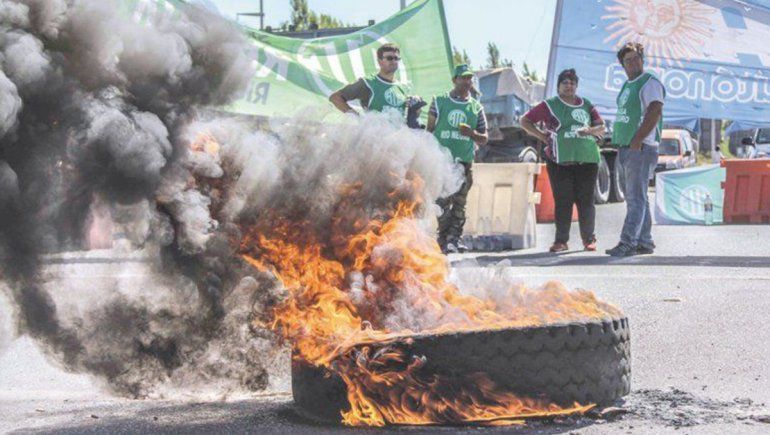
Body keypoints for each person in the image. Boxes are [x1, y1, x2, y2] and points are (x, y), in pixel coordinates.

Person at [521, 69, 605, 252]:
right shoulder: (549, 105)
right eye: (565, 83)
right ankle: (561, 241)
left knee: (586, 201)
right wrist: (542, 136)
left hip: (587, 160)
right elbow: (525, 121)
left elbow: (601, 127)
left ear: (577, 86)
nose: (569, 86)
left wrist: (589, 131)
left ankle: (589, 239)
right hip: (559, 161)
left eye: (572, 83)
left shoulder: (586, 105)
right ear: (558, 86)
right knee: (563, 200)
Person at [606, 42, 666, 257]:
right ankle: (644, 241)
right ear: (622, 64)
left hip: (641, 147)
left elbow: (655, 110)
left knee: (634, 198)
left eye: (636, 58)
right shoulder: (628, 85)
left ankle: (628, 242)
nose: (632, 63)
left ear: (642, 59)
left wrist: (637, 140)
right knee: (640, 196)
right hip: (628, 147)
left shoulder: (649, 82)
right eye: (627, 60)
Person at [426, 64, 488, 254]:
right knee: (441, 202)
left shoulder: (476, 107)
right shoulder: (439, 101)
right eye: (463, 78)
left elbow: (484, 138)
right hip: (441, 161)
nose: (467, 82)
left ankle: (455, 239)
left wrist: (472, 134)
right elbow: (429, 131)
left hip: (464, 162)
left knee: (460, 203)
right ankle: (443, 238)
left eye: (469, 78)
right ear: (454, 80)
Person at [328, 43, 424, 126]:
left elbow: (404, 119)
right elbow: (335, 98)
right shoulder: (368, 83)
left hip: (396, 139)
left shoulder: (402, 87)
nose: (394, 61)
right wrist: (358, 118)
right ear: (379, 61)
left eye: (396, 58)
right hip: (374, 139)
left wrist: (416, 110)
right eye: (389, 58)